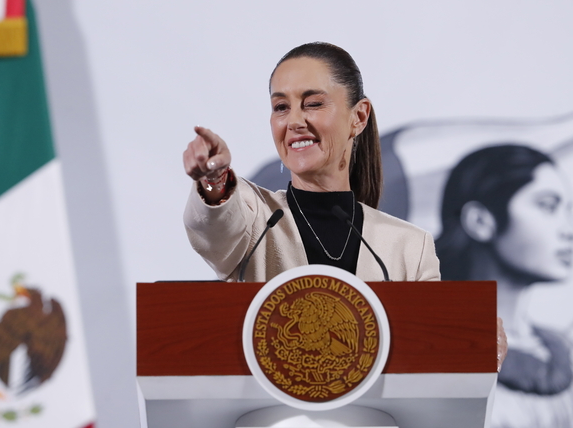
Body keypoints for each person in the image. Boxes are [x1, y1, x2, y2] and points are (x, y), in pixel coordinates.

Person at [182, 42, 440, 283]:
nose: (294, 121)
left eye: (313, 104)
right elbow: (214, 228)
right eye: (281, 107)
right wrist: (214, 180)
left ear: (359, 117)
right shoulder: (255, 219)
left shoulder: (411, 249)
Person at [436, 144, 573, 428]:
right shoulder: (428, 349)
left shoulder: (562, 348)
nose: (568, 229)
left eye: (567, 210)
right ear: (480, 221)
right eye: (547, 206)